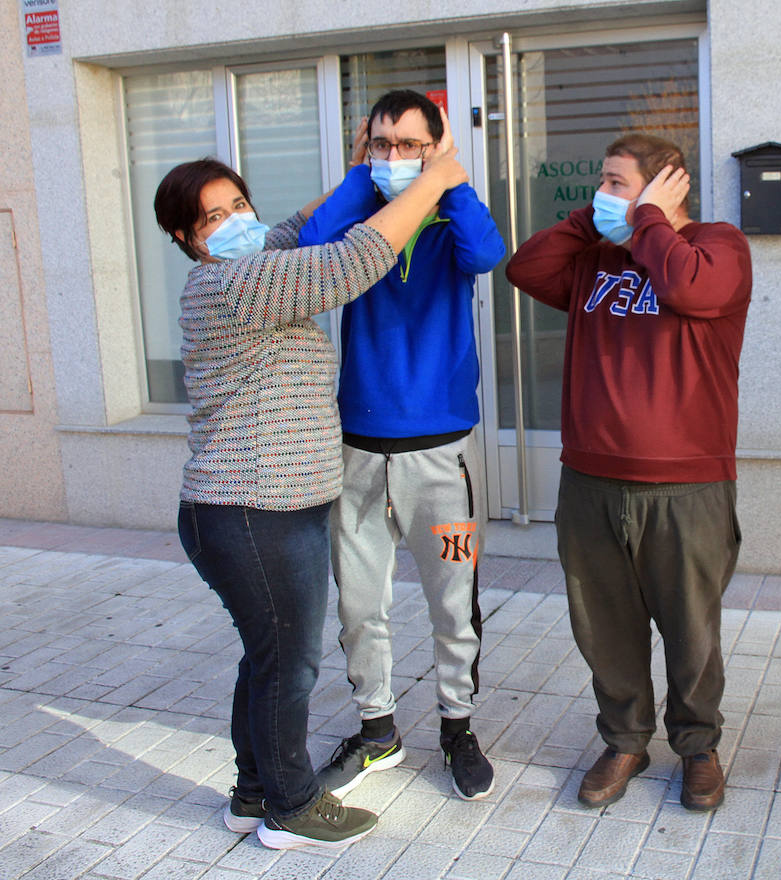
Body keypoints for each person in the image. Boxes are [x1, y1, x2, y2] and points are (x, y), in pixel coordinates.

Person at [158, 144, 469, 849]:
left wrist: (363, 173)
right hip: (253, 515)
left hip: (247, 512)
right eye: (212, 218)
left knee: (264, 657)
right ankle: (293, 806)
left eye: (238, 203)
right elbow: (353, 260)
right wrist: (436, 180)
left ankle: (251, 793)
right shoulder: (237, 286)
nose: (235, 220)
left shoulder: (242, 266)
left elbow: (291, 231)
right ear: (185, 238)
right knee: (289, 665)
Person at [504, 134, 751, 812]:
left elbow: (692, 290)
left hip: (687, 485)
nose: (603, 194)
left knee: (692, 629)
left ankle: (697, 746)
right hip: (590, 480)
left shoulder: (717, 246)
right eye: (602, 182)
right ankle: (625, 738)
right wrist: (595, 219)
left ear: (665, 187)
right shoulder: (594, 259)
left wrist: (648, 221)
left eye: (617, 182)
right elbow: (525, 270)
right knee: (603, 624)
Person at [297, 90, 505, 802]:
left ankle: (457, 724)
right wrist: (363, 177)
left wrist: (446, 181)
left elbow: (489, 252)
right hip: (356, 450)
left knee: (453, 599)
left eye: (409, 144)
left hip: (441, 459)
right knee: (360, 601)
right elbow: (305, 251)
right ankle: (376, 727)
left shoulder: (452, 225)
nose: (394, 158)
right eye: (382, 144)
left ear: (437, 149)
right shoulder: (360, 224)